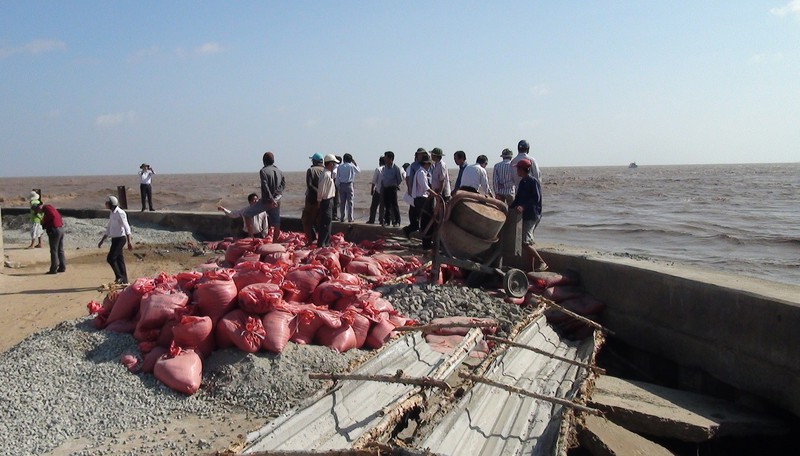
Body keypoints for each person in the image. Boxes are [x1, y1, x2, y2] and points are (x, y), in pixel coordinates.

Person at [509, 159, 548, 272]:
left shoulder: (533, 181)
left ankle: (542, 262)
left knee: (524, 243)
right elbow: (518, 199)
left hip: (532, 215)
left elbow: (536, 199)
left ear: (523, 169)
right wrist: (508, 208)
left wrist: (523, 206)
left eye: (518, 168)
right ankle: (531, 269)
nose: (517, 171)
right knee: (528, 243)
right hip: (525, 215)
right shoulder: (522, 182)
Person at [243, 151, 285, 243]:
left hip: (267, 201)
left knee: (246, 214)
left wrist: (271, 199)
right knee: (276, 223)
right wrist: (276, 198)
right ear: (273, 161)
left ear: (263, 161)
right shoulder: (280, 172)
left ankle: (252, 240)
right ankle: (274, 243)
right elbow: (283, 185)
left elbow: (265, 186)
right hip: (277, 201)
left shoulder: (263, 171)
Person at [98, 196, 134, 284]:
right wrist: (102, 240)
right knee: (119, 260)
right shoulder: (112, 213)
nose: (106, 204)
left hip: (120, 239)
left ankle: (119, 277)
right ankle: (124, 280)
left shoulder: (120, 213)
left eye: (107, 203)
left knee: (110, 258)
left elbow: (126, 226)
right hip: (114, 239)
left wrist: (129, 241)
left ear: (111, 204)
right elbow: (109, 227)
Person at [410, 154, 436, 249]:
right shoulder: (421, 172)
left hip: (422, 199)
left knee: (427, 221)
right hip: (421, 199)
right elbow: (425, 187)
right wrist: (435, 194)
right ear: (427, 164)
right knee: (426, 221)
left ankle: (427, 243)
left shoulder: (422, 172)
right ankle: (426, 244)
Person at [35, 200, 65, 274]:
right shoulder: (50, 207)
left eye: (37, 210)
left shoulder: (46, 208)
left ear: (39, 207)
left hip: (54, 229)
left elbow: (52, 215)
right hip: (60, 228)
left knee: (54, 250)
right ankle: (62, 267)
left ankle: (54, 269)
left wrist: (44, 221)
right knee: (60, 249)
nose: (38, 211)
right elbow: (57, 215)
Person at [302, 153, 326, 245]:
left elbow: (310, 185)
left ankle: (310, 242)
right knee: (320, 221)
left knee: (307, 221)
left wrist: (318, 193)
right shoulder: (326, 171)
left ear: (315, 161)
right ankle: (321, 242)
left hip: (312, 201)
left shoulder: (311, 170)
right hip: (324, 200)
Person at [316, 154, 339, 247]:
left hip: (329, 200)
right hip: (326, 201)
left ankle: (326, 243)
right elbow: (321, 189)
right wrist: (319, 201)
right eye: (333, 163)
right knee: (325, 223)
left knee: (328, 222)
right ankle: (322, 244)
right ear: (330, 164)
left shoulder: (329, 173)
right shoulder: (325, 174)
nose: (334, 165)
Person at [335, 153, 360, 223]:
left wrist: (338, 185)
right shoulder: (351, 166)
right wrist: (355, 163)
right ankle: (350, 218)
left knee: (342, 202)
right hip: (349, 185)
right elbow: (358, 171)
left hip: (342, 185)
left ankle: (342, 217)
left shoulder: (340, 167)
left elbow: (337, 177)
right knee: (350, 202)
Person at [381, 151, 403, 227]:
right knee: (387, 206)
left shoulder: (396, 168)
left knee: (394, 205)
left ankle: (397, 221)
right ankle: (387, 221)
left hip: (393, 188)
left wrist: (395, 185)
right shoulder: (385, 168)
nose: (385, 159)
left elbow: (400, 179)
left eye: (386, 157)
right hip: (386, 188)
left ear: (390, 158)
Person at [367, 156, 385, 224]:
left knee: (374, 207)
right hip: (385, 191)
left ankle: (372, 219)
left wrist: (372, 190)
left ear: (380, 162)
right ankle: (382, 220)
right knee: (383, 207)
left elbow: (374, 181)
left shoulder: (378, 169)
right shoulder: (387, 169)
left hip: (378, 190)